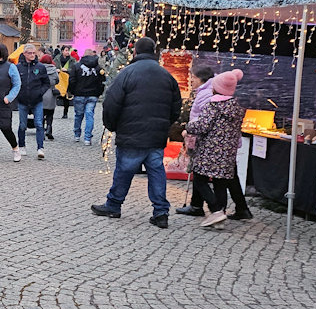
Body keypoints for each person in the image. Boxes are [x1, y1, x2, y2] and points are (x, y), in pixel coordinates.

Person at [91, 37, 181, 228]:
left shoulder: (127, 73)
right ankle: (161, 212)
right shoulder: (167, 76)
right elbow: (176, 107)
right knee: (156, 172)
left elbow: (111, 102)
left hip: (131, 132)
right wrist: (165, 125)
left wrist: (112, 125)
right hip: (156, 134)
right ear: (154, 51)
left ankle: (114, 205)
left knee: (124, 170)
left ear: (135, 52)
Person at [184, 69, 249, 228]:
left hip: (210, 149)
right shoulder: (237, 106)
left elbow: (202, 126)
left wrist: (188, 127)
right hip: (228, 151)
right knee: (221, 182)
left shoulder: (213, 105)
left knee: (199, 178)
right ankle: (220, 215)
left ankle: (216, 210)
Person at [175, 66, 215, 216]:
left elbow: (205, 118)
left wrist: (190, 129)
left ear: (201, 79)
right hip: (200, 136)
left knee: (199, 174)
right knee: (198, 173)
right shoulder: (204, 91)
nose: (191, 80)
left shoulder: (206, 93)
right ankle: (196, 205)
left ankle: (214, 208)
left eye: (193, 77)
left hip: (202, 138)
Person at [15, 43, 52, 159]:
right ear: (24, 54)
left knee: (39, 124)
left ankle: (40, 148)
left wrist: (40, 92)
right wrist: (18, 94)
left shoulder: (40, 67)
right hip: (23, 100)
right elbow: (14, 82)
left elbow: (46, 83)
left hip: (37, 100)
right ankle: (21, 145)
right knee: (22, 125)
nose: (32, 55)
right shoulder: (18, 67)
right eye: (29, 53)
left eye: (34, 53)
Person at [69, 48, 105, 145]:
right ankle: (87, 138)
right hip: (92, 95)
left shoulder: (76, 66)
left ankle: (77, 134)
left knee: (78, 115)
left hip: (79, 94)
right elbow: (102, 81)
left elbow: (72, 80)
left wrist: (72, 91)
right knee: (90, 116)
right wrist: (98, 92)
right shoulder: (98, 68)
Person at [39, 54, 59, 140]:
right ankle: (49, 129)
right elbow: (57, 80)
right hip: (51, 94)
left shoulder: (39, 69)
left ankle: (41, 132)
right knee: (50, 114)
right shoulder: (54, 70)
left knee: (41, 115)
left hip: (41, 93)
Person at [53, 45, 74, 118]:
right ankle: (51, 112)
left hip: (67, 80)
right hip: (58, 80)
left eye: (68, 50)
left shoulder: (72, 60)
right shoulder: (57, 59)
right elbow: (53, 66)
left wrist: (67, 70)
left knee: (66, 97)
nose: (68, 52)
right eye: (66, 50)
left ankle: (65, 113)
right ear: (62, 51)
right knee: (55, 95)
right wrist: (56, 69)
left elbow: (74, 69)